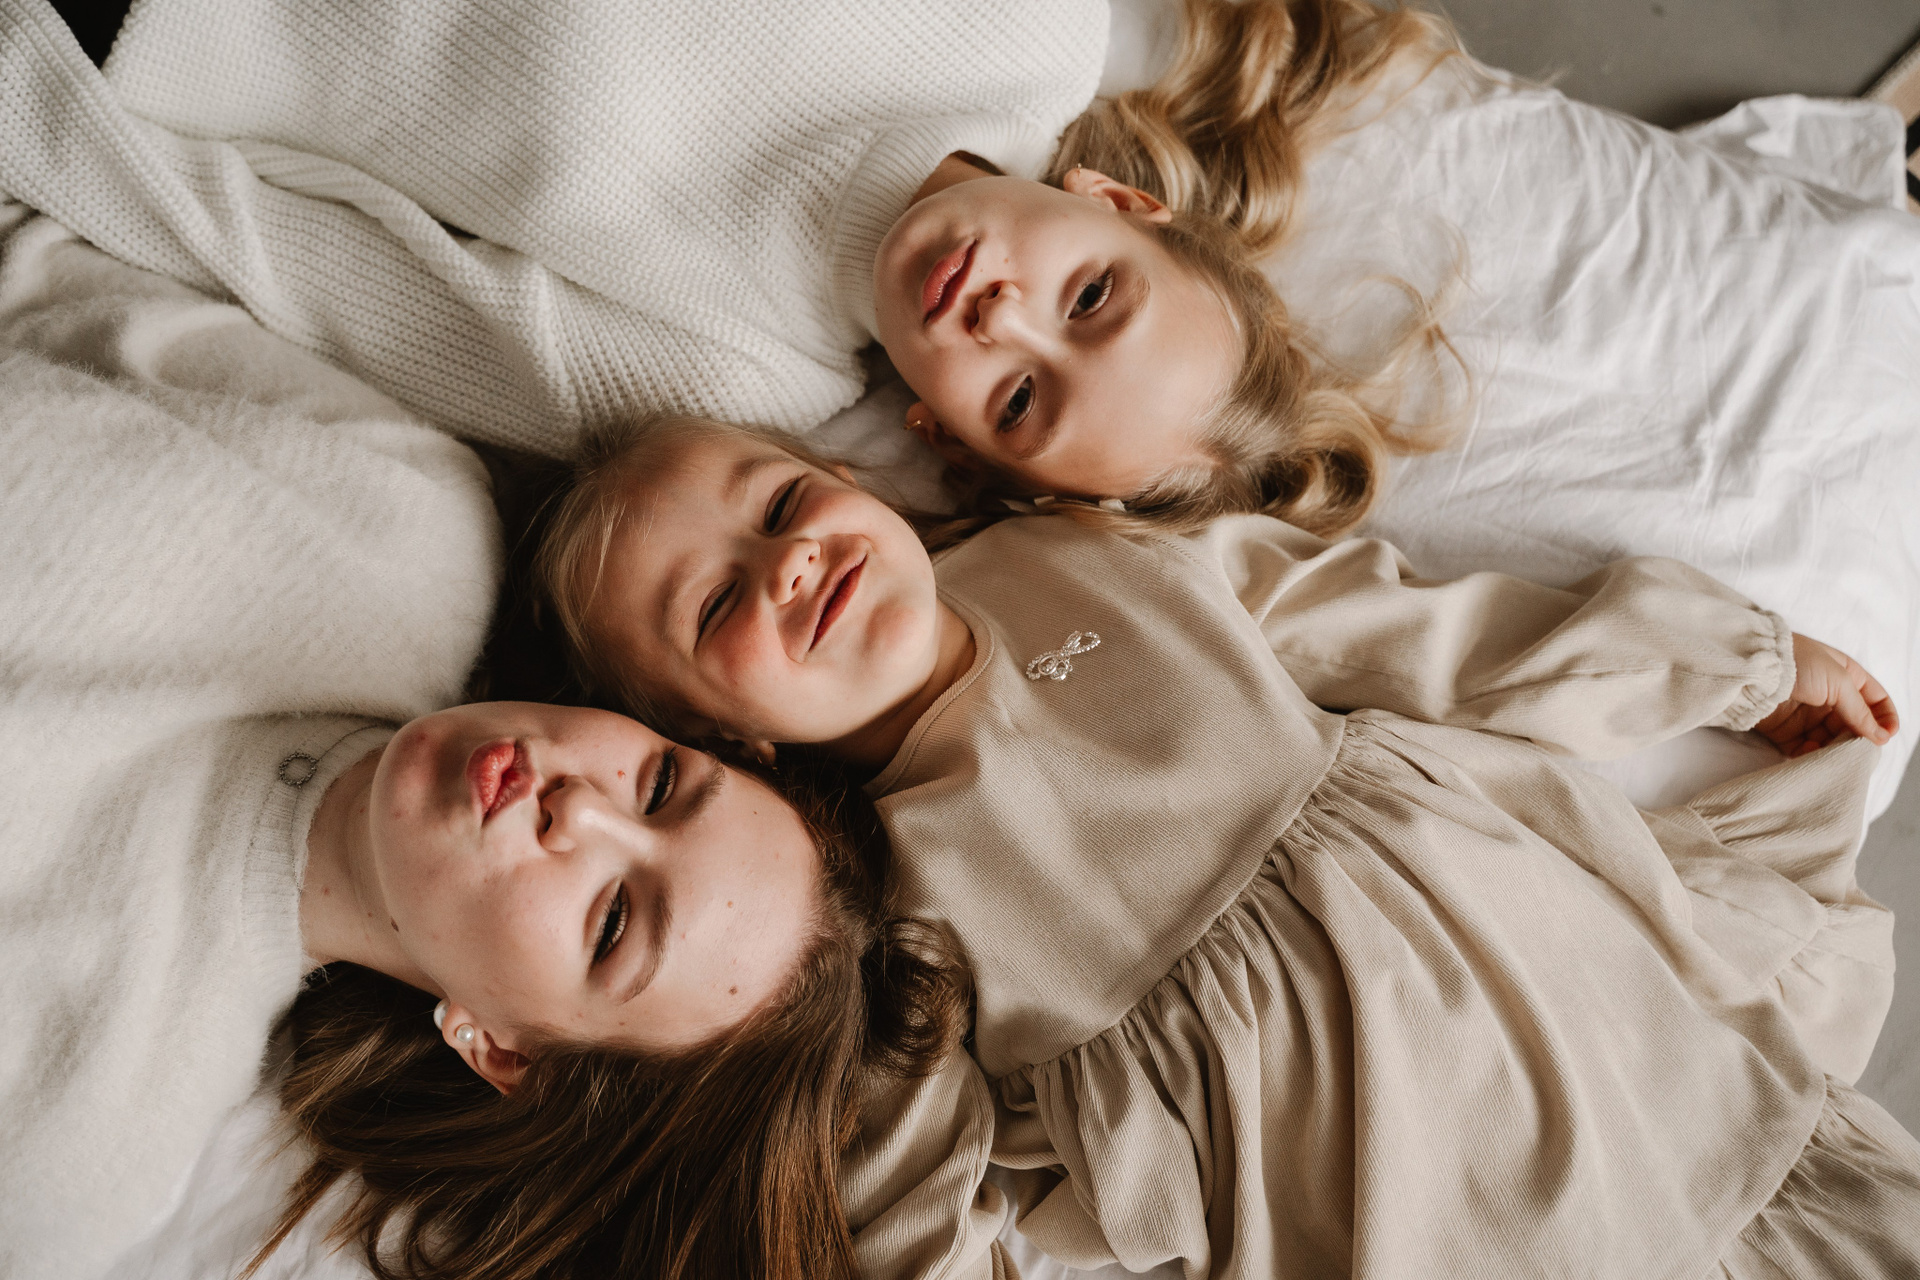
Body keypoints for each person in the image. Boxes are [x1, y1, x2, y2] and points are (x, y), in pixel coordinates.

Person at [536, 412, 1915, 1278]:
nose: (787, 562)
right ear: (717, 736)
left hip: (1513, 968)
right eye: (717, 602)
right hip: (1343, 1171)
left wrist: (1729, 664)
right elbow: (916, 1164)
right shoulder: (851, 883)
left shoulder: (1085, 550)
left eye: (783, 505)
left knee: (1745, 1161)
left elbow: (1426, 633)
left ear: (847, 479)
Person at [0, 219, 964, 1280]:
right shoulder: (413, 520)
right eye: (658, 784)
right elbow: (35, 269)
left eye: (611, 922)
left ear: (503, 1047)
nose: (579, 808)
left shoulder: (84, 1136)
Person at [0, 0, 1451, 535]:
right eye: (1090, 299)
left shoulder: (724, 379)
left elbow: (306, 272)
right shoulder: (1018, 26)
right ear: (1117, 200)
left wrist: (27, 90)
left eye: (1021, 399)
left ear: (942, 434)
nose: (1003, 317)